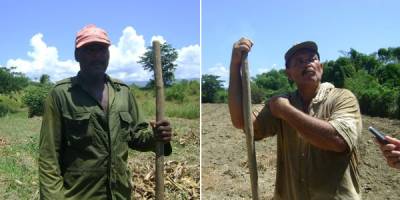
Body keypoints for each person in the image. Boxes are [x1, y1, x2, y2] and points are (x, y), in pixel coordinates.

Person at [38, 24, 172, 199]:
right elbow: (49, 157)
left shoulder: (123, 92)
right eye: (90, 50)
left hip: (119, 195)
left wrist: (157, 137)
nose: (97, 56)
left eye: (102, 49)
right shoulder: (61, 94)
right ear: (77, 55)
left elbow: (136, 137)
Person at [228, 38, 362, 199]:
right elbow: (241, 121)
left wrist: (285, 111)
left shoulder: (342, 98)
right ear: (289, 74)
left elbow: (339, 140)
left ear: (321, 67)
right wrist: (235, 65)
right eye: (299, 61)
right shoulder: (282, 101)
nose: (307, 64)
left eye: (312, 59)